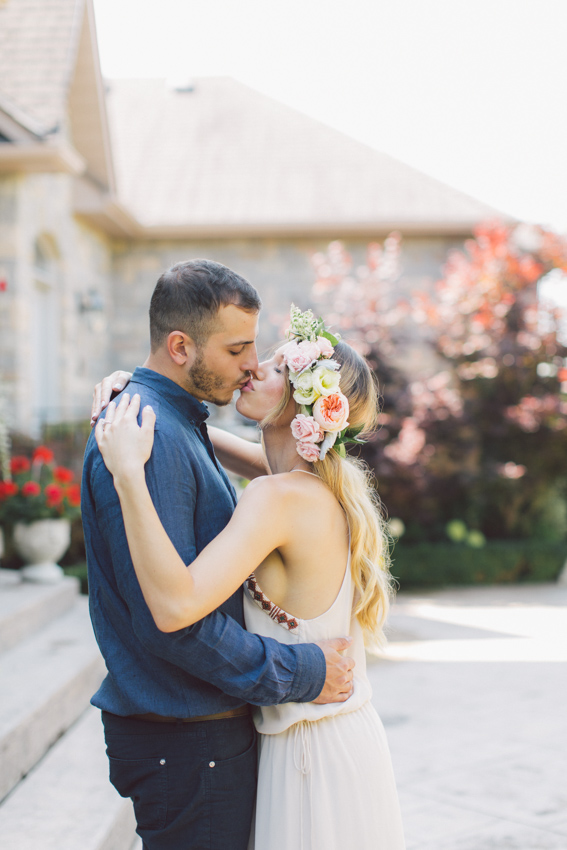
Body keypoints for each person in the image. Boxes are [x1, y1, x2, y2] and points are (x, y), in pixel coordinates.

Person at [93, 303, 406, 850]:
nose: (255, 367)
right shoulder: (309, 485)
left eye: (279, 368)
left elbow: (176, 602)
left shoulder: (276, 497)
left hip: (309, 750)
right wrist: (141, 389)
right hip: (335, 734)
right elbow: (205, 438)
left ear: (301, 406)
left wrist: (129, 476)